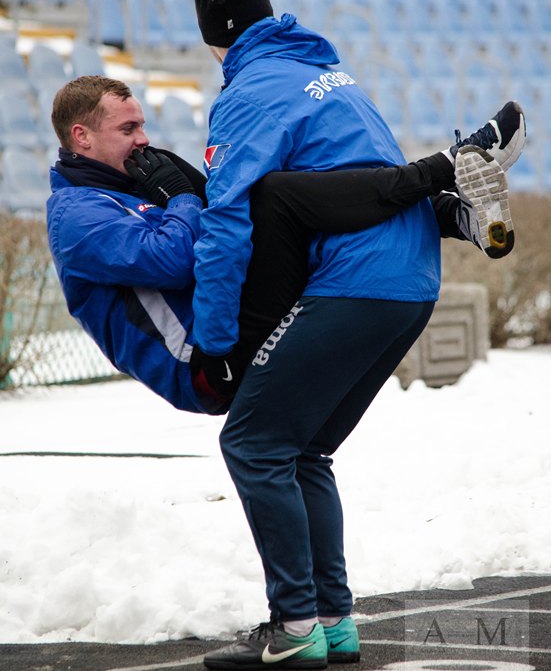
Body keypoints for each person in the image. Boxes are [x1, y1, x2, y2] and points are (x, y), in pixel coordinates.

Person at [190, 0, 526, 670]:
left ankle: (293, 624)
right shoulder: (331, 76)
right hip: (409, 280)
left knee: (252, 443)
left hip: (354, 281)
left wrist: (215, 338)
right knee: (302, 447)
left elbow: (225, 221)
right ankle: (333, 620)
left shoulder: (247, 94)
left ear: (214, 33)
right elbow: (370, 180)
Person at [47, 75, 504, 416]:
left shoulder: (134, 182)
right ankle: (439, 173)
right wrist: (181, 196)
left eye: (142, 126)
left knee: (285, 190)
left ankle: (451, 214)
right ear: (81, 137)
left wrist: (184, 189)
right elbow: (175, 260)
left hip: (224, 318)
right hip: (205, 364)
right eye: (128, 130)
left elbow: (226, 218)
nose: (143, 139)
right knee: (275, 198)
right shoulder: (75, 217)